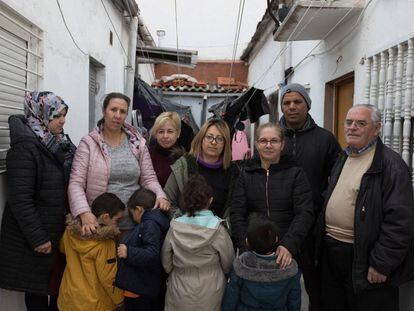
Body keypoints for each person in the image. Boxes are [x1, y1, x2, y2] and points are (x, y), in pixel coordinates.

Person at [316, 104, 414, 311]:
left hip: (364, 255)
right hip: (332, 251)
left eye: (361, 123)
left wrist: (381, 263)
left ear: (376, 129)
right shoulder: (343, 157)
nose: (352, 127)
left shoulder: (391, 165)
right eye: (349, 122)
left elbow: (400, 222)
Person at [0, 91, 76, 310]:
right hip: (36, 239)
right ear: (41, 115)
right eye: (57, 116)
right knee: (37, 296)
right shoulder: (25, 148)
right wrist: (38, 238)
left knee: (57, 290)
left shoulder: (59, 143)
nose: (63, 121)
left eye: (64, 115)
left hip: (56, 231)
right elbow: (20, 199)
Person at [68, 92, 170, 237]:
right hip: (101, 226)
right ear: (104, 111)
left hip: (134, 224)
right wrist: (84, 213)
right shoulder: (89, 144)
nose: (117, 115)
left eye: (122, 111)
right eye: (113, 109)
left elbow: (149, 178)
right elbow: (76, 183)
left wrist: (160, 195)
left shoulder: (137, 143)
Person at [279, 83, 341, 310]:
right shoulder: (273, 138)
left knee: (317, 285)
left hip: (314, 225)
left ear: (308, 105)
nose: (292, 107)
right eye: (286, 103)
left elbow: (337, 178)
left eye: (298, 102)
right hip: (280, 223)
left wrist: (323, 202)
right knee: (279, 283)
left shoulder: (325, 139)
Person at [230, 123, 315, 269]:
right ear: (256, 144)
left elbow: (304, 213)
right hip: (253, 253)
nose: (268, 145)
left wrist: (289, 245)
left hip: (286, 253)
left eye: (274, 141)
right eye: (263, 141)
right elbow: (237, 213)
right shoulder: (246, 175)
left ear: (282, 145)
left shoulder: (295, 174)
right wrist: (246, 245)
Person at [162, 175, 234, 311]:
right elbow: (228, 262)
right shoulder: (217, 229)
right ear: (210, 200)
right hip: (212, 288)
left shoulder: (174, 227)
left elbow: (166, 261)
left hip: (179, 287)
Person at [58, 193, 125, 311]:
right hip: (94, 304)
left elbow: (62, 248)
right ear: (105, 217)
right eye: (117, 220)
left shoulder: (70, 233)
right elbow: (108, 278)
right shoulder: (105, 243)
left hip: (68, 299)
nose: (118, 224)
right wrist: (119, 299)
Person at [222, 215, 301, 311]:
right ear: (276, 239)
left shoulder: (241, 265)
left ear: (247, 242)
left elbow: (231, 297)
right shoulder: (288, 267)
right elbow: (294, 300)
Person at [164, 118, 238, 219]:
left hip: (219, 231)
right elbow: (168, 200)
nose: (213, 142)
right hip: (185, 229)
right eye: (209, 137)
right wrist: (183, 222)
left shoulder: (233, 172)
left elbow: (236, 208)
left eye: (220, 139)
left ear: (225, 144)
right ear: (201, 139)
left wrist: (224, 227)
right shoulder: (184, 165)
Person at [115, 188, 170, 311]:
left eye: (132, 213)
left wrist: (129, 252)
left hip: (141, 289)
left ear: (139, 209)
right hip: (146, 285)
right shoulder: (155, 222)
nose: (132, 218)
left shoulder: (149, 225)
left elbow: (152, 253)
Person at [149, 111, 184, 188]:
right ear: (156, 133)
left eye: (170, 131)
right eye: (161, 132)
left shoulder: (184, 159)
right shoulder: (146, 155)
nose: (165, 136)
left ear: (178, 133)